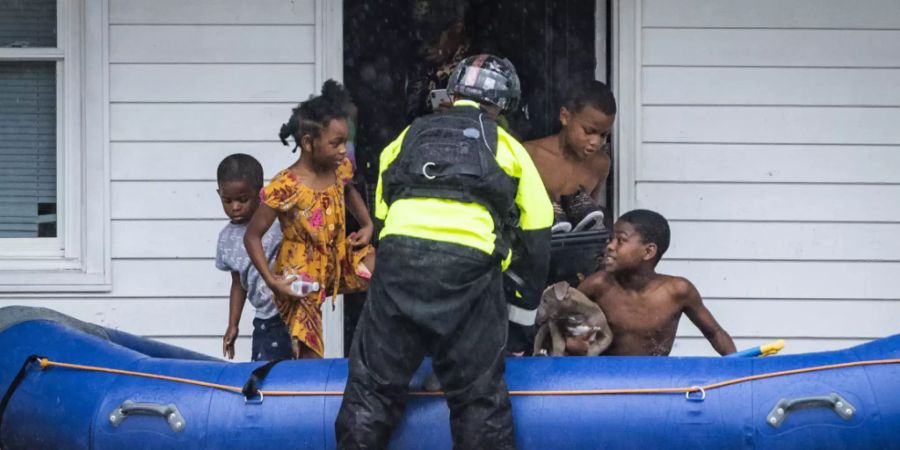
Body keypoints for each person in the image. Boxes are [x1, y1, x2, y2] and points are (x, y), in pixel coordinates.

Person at [336, 54, 553, 449]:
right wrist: (522, 321)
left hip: (399, 261)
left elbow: (384, 212)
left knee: (370, 390)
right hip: (468, 269)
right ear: (505, 105)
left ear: (451, 93)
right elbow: (537, 233)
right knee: (477, 398)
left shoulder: (409, 136)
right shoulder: (507, 146)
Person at [244, 80, 376, 360]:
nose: (343, 150)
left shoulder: (338, 168)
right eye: (336, 143)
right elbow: (251, 236)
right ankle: (310, 385)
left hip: (335, 257)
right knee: (309, 345)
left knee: (383, 265)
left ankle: (380, 350)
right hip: (300, 270)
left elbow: (349, 190)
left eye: (345, 142)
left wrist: (366, 224)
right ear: (308, 143)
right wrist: (271, 281)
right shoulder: (286, 185)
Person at [575, 209, 736, 356]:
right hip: (605, 381)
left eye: (621, 240)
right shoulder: (598, 285)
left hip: (656, 380)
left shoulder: (677, 291)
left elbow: (715, 334)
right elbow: (561, 327)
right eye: (611, 239)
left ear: (648, 251)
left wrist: (738, 371)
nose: (610, 246)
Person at [214, 154, 292, 362]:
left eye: (242, 199)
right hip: (264, 318)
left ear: (260, 194)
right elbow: (238, 283)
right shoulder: (226, 239)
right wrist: (233, 324)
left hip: (292, 312)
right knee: (263, 373)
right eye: (227, 200)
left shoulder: (277, 222)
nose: (235, 207)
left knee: (298, 373)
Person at [524, 80, 616, 230]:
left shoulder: (600, 164)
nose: (596, 142)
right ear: (565, 117)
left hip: (576, 249)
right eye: (589, 131)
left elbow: (590, 220)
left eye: (603, 135)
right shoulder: (530, 154)